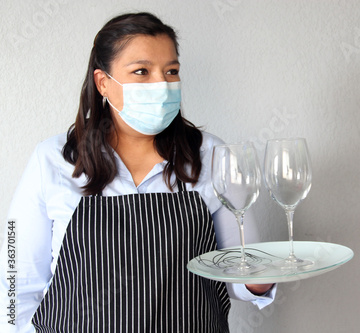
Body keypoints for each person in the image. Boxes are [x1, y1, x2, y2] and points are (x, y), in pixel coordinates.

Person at [0, 12, 275, 333]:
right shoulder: (52, 159)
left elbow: (242, 273)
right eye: (141, 71)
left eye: (171, 71)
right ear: (104, 83)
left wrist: (259, 282)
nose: (161, 84)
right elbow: (15, 279)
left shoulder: (213, 156)